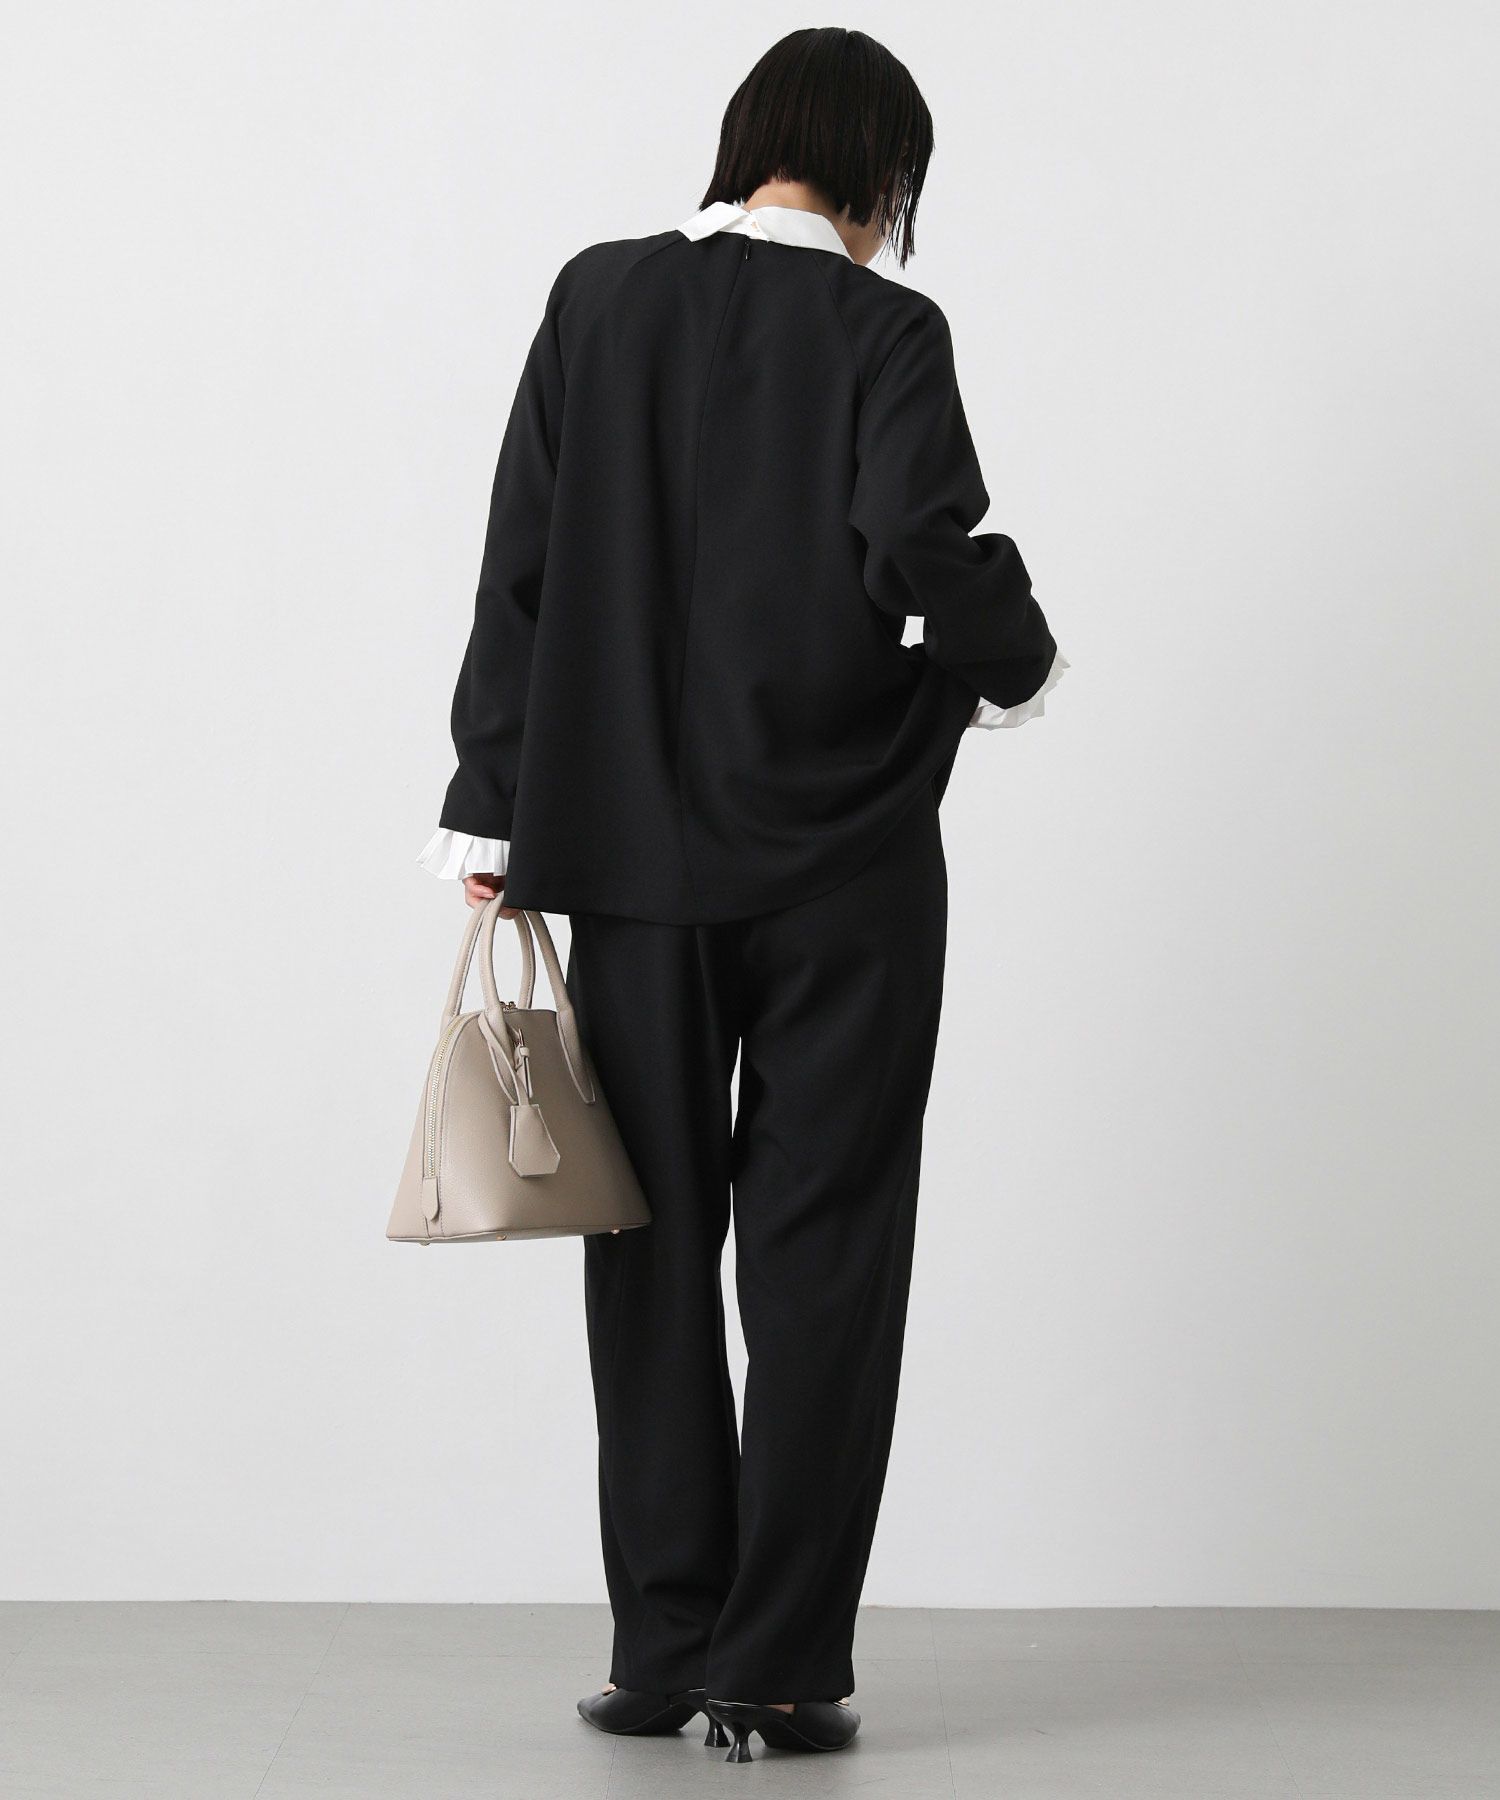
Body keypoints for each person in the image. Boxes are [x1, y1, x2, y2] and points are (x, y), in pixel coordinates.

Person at [416, 25, 1066, 1762]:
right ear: (882, 177)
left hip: (632, 869)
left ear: (745, 139)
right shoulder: (886, 330)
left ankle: (664, 1646)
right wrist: (1017, 656)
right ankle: (774, 1670)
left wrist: (489, 805)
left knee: (642, 1244)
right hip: (847, 865)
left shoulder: (597, 300)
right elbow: (918, 549)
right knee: (825, 1249)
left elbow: (521, 570)